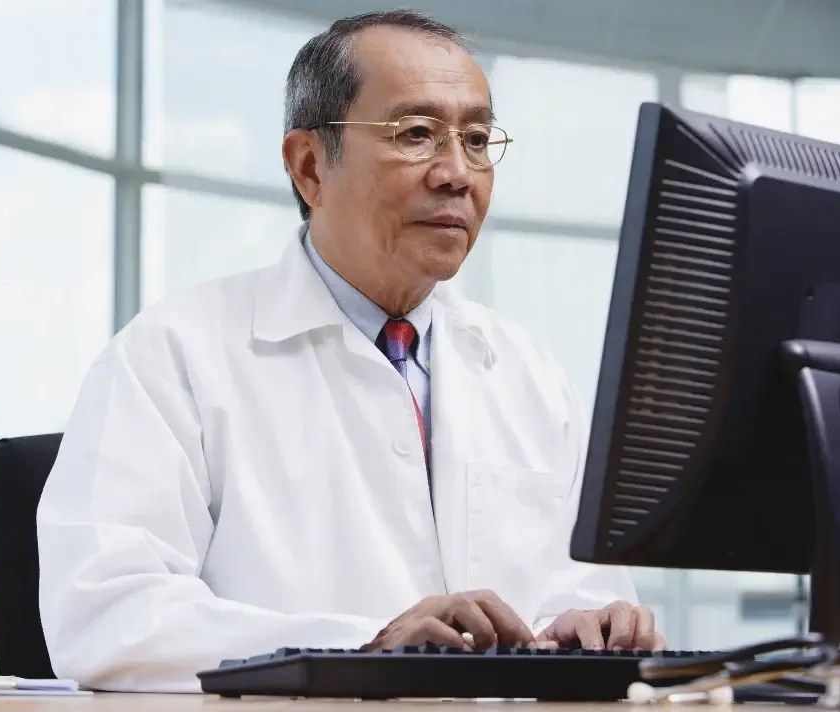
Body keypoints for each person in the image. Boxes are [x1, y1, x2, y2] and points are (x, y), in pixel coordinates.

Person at [35, 10, 664, 693]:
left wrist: (585, 627)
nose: (458, 173)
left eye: (478, 140)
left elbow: (574, 594)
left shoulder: (528, 372)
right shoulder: (172, 356)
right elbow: (106, 618)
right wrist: (362, 650)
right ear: (310, 166)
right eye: (417, 134)